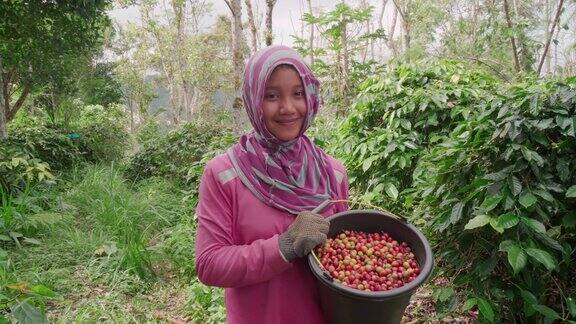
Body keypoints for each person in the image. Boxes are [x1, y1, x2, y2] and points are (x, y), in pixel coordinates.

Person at [194, 45, 349, 324]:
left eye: (298, 94)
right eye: (272, 95)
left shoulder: (333, 173)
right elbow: (209, 264)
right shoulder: (225, 174)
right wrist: (284, 246)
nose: (288, 108)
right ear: (254, 100)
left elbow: (343, 258)